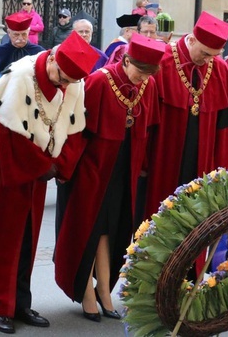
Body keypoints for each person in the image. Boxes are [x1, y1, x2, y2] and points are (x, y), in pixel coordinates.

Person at [0, 31, 99, 335]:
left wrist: (59, 165)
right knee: (1, 235)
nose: (62, 85)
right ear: (52, 57)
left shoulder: (71, 83)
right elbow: (7, 134)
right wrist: (44, 166)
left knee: (28, 233)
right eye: (60, 77)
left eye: (68, 82)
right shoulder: (22, 75)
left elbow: (74, 127)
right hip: (7, 166)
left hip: (39, 167)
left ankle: (20, 302)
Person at [54, 34, 163, 322]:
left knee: (111, 229)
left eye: (148, 75)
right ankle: (86, 291)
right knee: (89, 227)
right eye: (139, 73)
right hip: (92, 168)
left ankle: (104, 289)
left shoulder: (148, 84)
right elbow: (77, 129)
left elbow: (148, 129)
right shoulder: (99, 81)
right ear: (126, 61)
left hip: (124, 167)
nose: (142, 80)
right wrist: (66, 168)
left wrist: (144, 165)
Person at [143, 11, 228, 218]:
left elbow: (223, 124)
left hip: (201, 155)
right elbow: (147, 117)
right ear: (192, 39)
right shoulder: (163, 59)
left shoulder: (218, 67)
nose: (208, 60)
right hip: (164, 152)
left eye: (214, 55)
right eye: (204, 53)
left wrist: (221, 165)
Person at [0, 13, 44, 95]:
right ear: (9, 33)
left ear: (28, 32)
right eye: (16, 34)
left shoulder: (39, 53)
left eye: (24, 34)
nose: (20, 38)